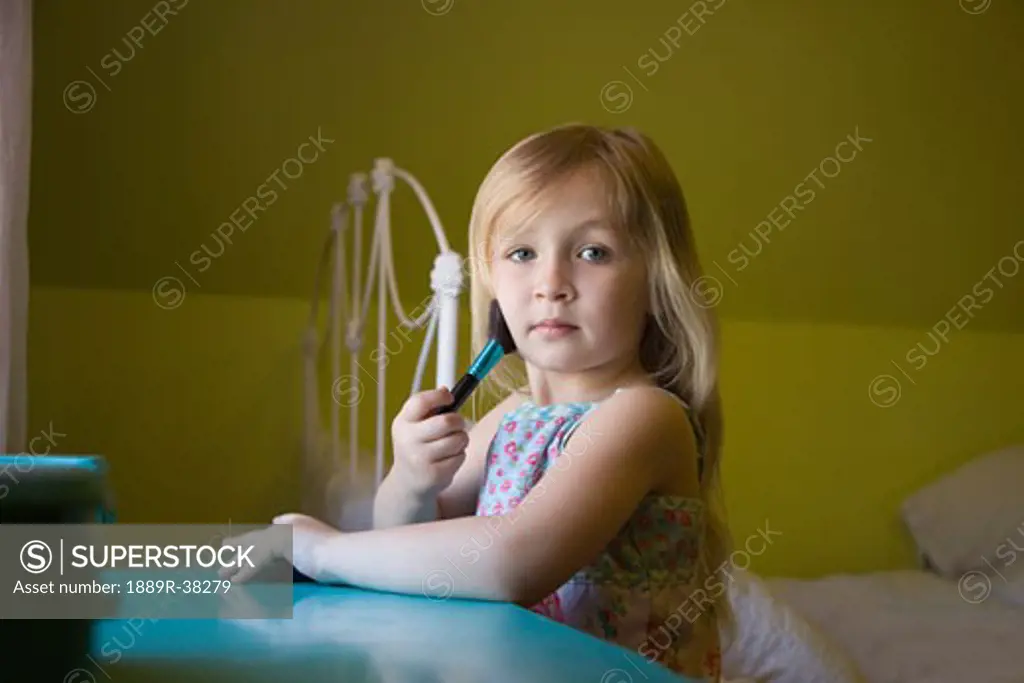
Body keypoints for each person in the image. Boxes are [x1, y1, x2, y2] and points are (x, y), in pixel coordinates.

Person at [224, 123, 731, 681]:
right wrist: (412, 479)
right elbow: (408, 540)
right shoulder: (511, 418)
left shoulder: (644, 416)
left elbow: (514, 560)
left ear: (656, 280)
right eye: (521, 252)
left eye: (592, 252)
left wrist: (325, 552)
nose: (551, 283)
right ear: (491, 276)